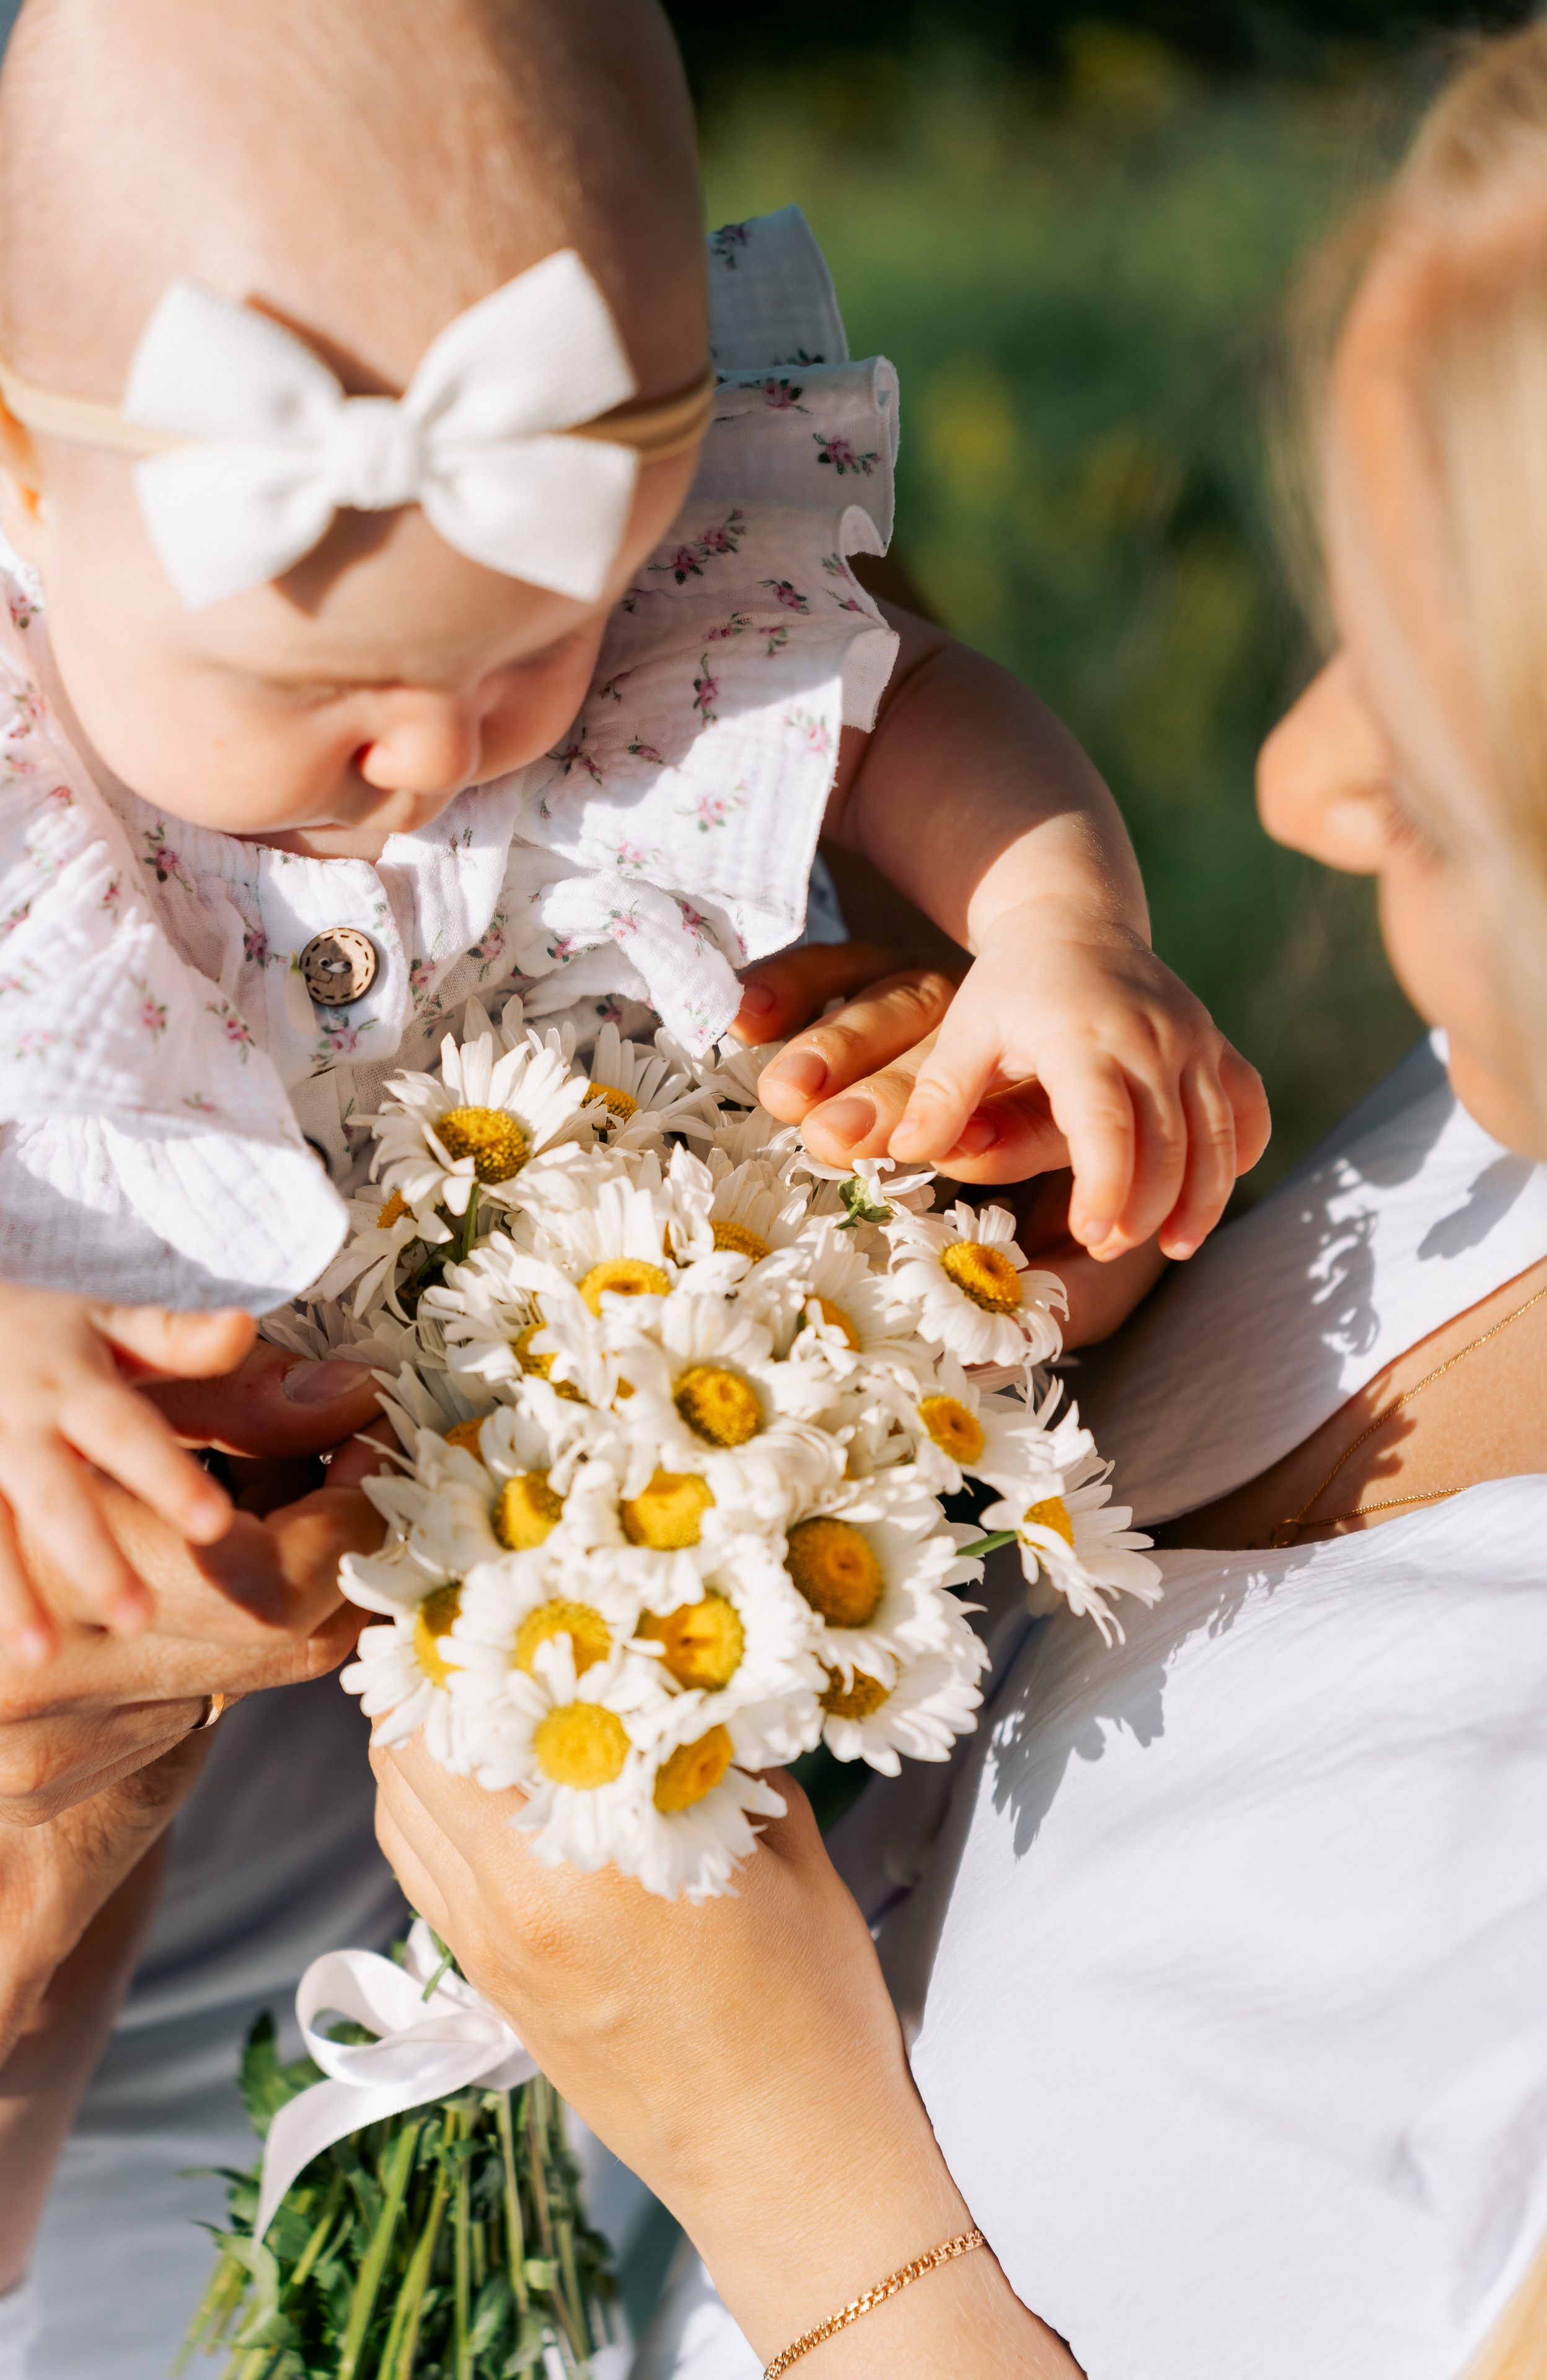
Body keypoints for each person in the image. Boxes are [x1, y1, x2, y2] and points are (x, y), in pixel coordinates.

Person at [368, 24, 1547, 2380]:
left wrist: (792, 2176)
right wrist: (976, 1327)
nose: (1303, 778)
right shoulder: (1496, 1115)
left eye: (1446, 728)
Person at [0, 0, 1264, 1675]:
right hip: (145, 1554)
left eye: (526, 654)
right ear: (21, 474)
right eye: (319, 680)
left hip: (590, 1480)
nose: (439, 746)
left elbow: (909, 698)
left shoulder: (657, 619)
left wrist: (1057, 931)